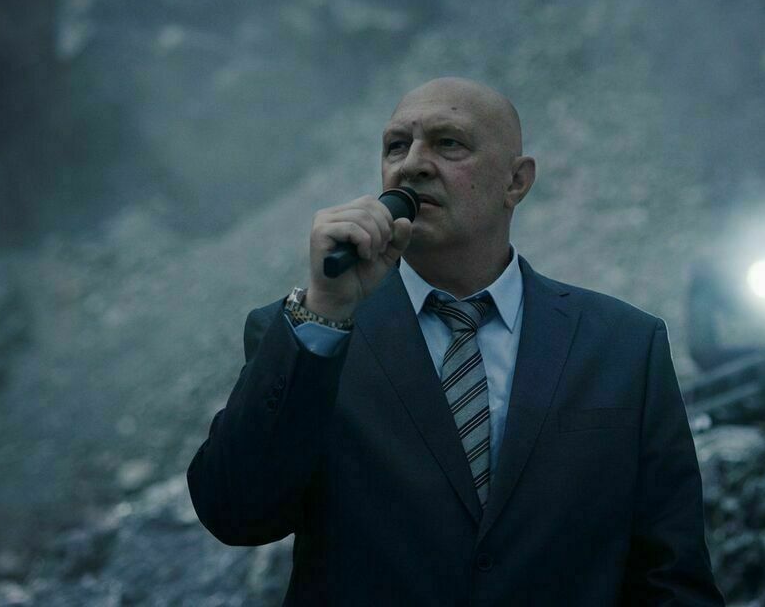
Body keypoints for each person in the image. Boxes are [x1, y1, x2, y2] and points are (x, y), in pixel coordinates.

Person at [187, 77, 724, 605]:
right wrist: (325, 312)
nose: (413, 164)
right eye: (397, 146)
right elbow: (236, 514)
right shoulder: (308, 333)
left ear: (516, 182)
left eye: (449, 144)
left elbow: (672, 577)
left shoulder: (624, 345)